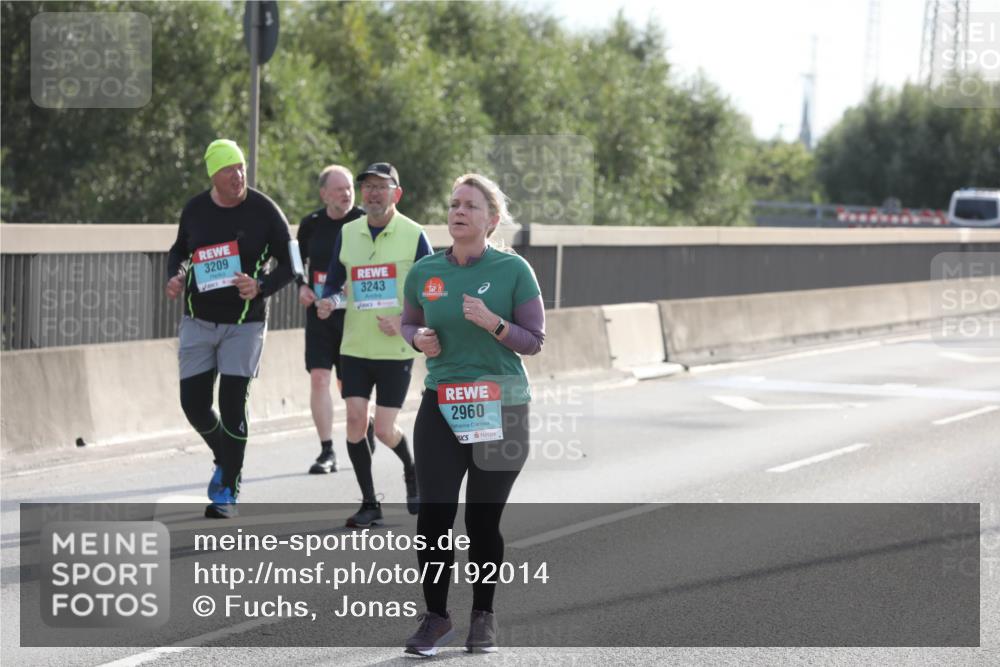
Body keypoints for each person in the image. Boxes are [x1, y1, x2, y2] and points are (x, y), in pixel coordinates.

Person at [400, 173, 545, 656]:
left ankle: (483, 616)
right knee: (434, 516)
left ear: (491, 219)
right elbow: (410, 321)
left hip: (501, 408)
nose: (458, 211)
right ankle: (435, 618)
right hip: (442, 404)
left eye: (470, 205)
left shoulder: (514, 270)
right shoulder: (425, 271)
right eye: (454, 204)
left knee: (482, 521)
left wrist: (494, 323)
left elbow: (534, 340)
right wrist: (416, 339)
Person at [165, 139, 293, 519]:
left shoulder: (264, 210)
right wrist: (174, 275)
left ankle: (227, 488)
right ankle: (227, 455)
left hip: (244, 323)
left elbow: (291, 262)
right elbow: (178, 250)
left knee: (232, 403)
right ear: (213, 175)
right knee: (194, 405)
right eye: (229, 170)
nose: (238, 176)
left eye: (241, 168)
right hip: (197, 320)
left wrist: (262, 286)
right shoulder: (195, 210)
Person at [316, 162, 432, 527]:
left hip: (395, 349)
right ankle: (370, 503)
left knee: (383, 429)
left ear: (396, 194)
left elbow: (433, 291)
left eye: (381, 187)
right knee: (354, 422)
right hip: (354, 346)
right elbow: (335, 285)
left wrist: (404, 320)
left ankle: (411, 469)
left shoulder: (414, 235)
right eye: (367, 186)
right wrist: (326, 302)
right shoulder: (348, 233)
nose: (373, 193)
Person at [295, 165, 368, 474]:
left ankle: (364, 422)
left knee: (348, 383)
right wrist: (301, 286)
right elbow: (295, 260)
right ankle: (327, 451)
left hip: (354, 314)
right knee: (319, 377)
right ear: (324, 194)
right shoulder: (310, 224)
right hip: (320, 314)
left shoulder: (364, 220)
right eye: (339, 189)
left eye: (349, 187)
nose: (346, 193)